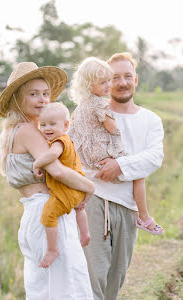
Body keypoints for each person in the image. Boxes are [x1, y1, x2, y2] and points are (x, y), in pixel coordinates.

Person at [0, 62, 94, 299]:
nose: (42, 99)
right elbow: (57, 171)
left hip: (32, 216)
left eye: (45, 93)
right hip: (48, 213)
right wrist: (89, 186)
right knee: (67, 285)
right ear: (18, 99)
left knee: (42, 288)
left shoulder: (13, 131)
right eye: (33, 94)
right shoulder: (29, 131)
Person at [69, 53, 164, 300]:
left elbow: (154, 157)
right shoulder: (89, 111)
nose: (120, 83)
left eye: (127, 76)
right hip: (94, 200)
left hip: (129, 206)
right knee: (93, 278)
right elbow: (69, 146)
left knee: (116, 280)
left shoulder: (150, 119)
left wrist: (119, 165)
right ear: (102, 81)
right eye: (113, 78)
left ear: (136, 79)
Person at [32, 102, 91, 268]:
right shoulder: (68, 140)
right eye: (42, 124)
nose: (47, 128)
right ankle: (85, 233)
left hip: (67, 190)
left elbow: (52, 155)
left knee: (48, 215)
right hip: (78, 189)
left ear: (66, 125)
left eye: (52, 124)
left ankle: (52, 249)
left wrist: (37, 164)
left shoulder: (58, 142)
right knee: (80, 208)